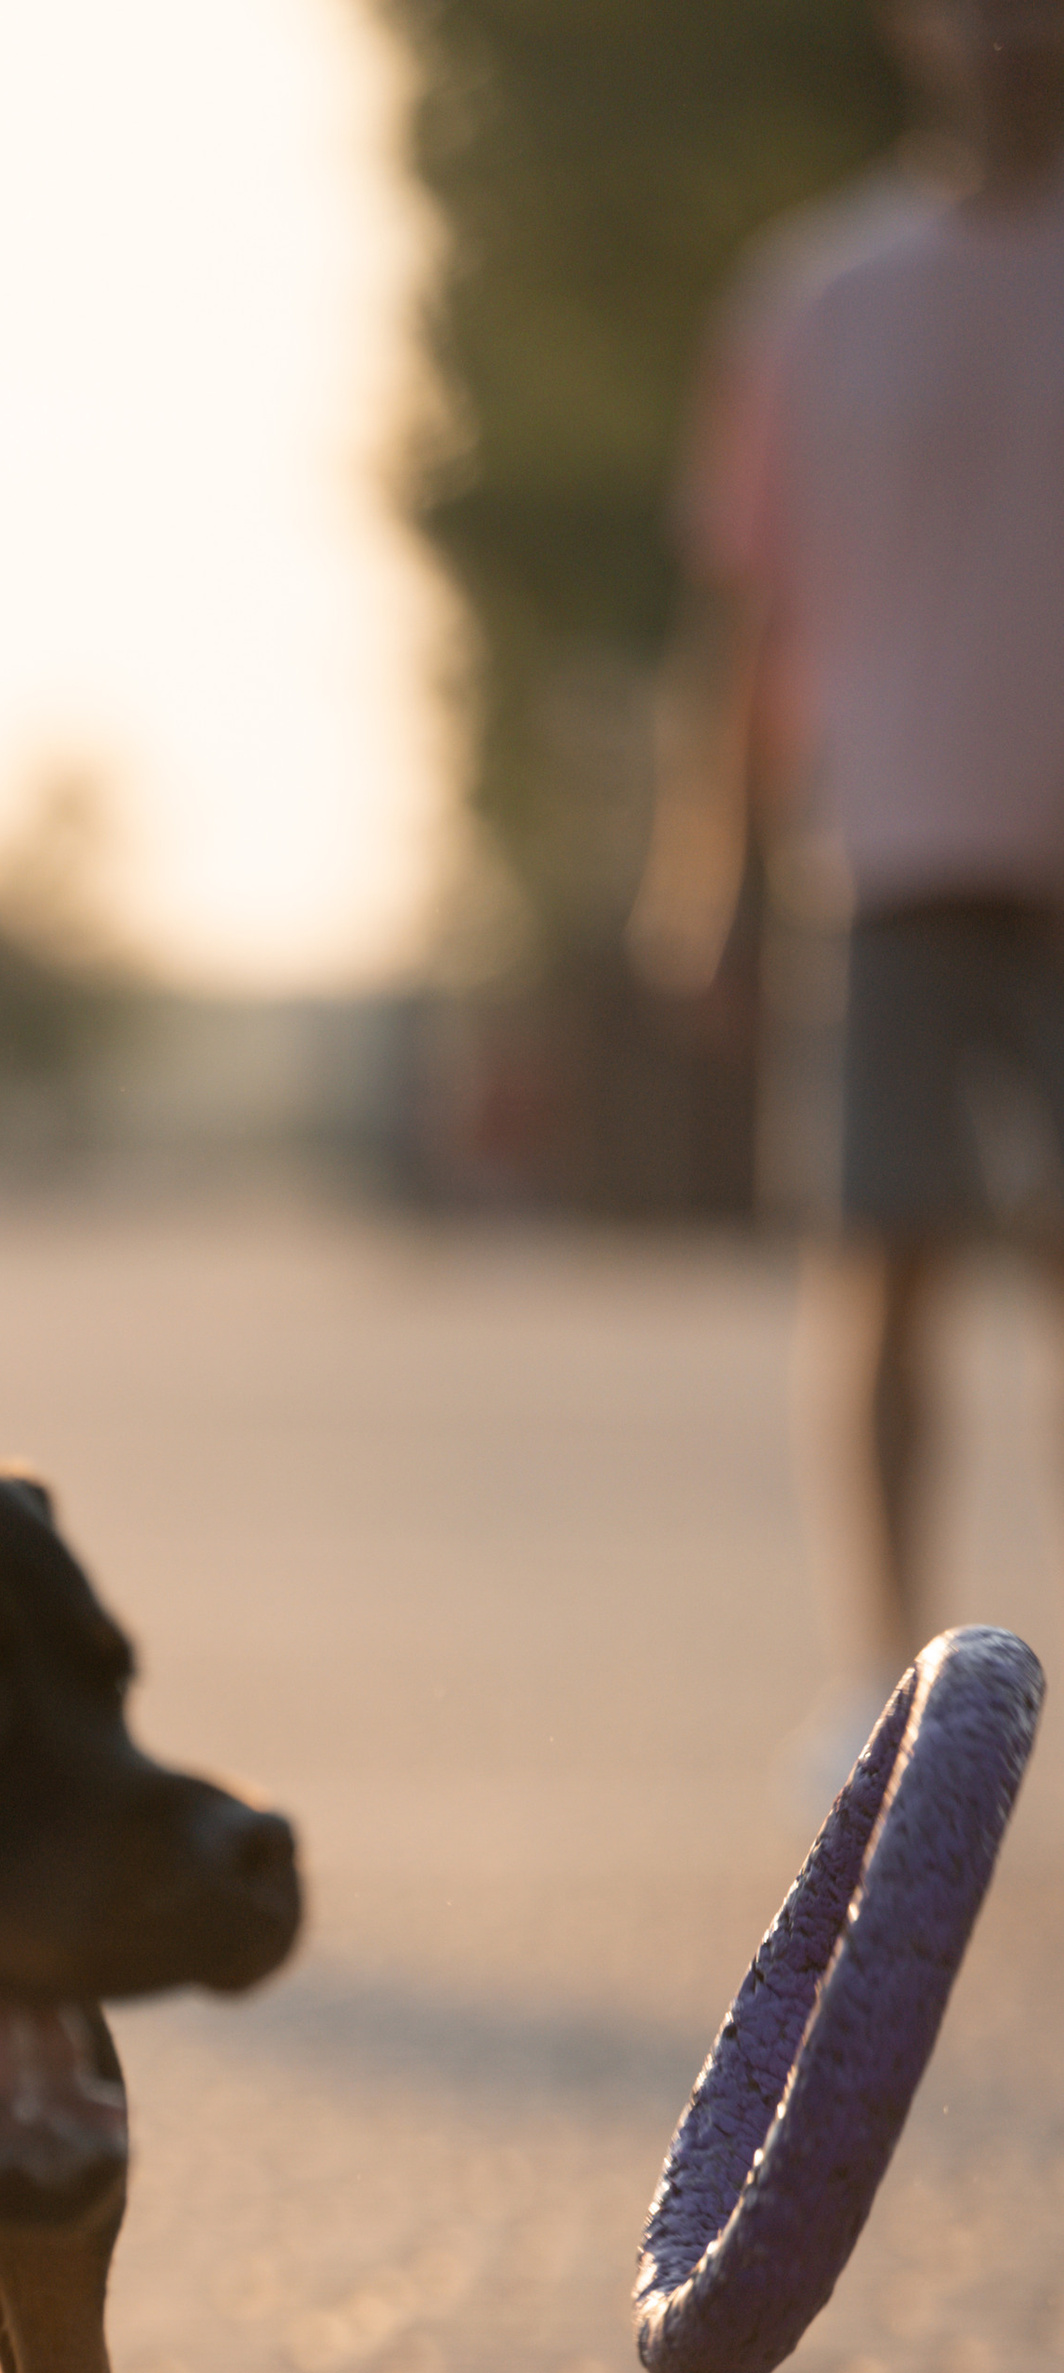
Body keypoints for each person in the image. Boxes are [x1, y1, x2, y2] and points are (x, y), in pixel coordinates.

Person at [635, 1, 1064, 1767]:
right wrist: (711, 863)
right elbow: (746, 611)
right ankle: (886, 1679)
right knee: (882, 1256)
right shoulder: (817, 294)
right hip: (885, 852)